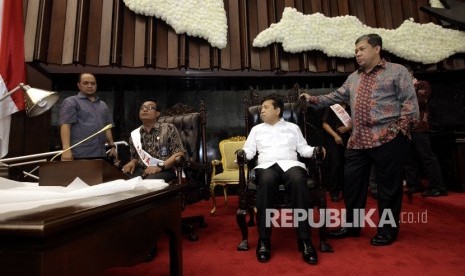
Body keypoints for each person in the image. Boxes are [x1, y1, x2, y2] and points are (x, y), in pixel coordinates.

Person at [300, 33, 419, 246]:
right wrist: (313, 99)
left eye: (362, 49)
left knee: (388, 189)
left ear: (377, 48)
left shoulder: (397, 71)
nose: (357, 54)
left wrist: (400, 131)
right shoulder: (353, 77)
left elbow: (410, 104)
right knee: (352, 186)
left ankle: (387, 230)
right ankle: (352, 226)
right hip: (357, 141)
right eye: (355, 51)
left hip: (388, 139)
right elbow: (337, 96)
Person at [242, 94, 321, 265]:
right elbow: (248, 151)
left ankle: (305, 241)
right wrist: (241, 155)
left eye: (265, 107)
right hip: (266, 166)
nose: (261, 111)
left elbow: (303, 148)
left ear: (277, 110)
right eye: (261, 108)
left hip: (291, 165)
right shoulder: (256, 130)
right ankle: (264, 240)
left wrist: (316, 150)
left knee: (298, 181)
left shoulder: (293, 127)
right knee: (266, 182)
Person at [404, 65, 447, 197]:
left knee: (426, 156)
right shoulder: (402, 89)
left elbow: (421, 101)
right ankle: (414, 184)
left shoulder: (422, 84)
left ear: (410, 73)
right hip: (406, 128)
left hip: (420, 126)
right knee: (409, 158)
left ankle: (438, 186)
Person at [121, 100, 185, 182]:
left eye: (150, 107)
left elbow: (179, 153)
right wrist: (132, 163)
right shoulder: (135, 134)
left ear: (157, 113)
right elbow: (136, 158)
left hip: (166, 169)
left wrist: (159, 167)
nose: (144, 110)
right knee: (123, 180)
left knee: (148, 182)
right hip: (143, 170)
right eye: (142, 108)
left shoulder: (169, 128)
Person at [59, 73, 116, 161]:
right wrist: (66, 149)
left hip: (101, 153)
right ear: (79, 85)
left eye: (93, 83)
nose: (90, 86)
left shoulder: (103, 104)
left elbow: (107, 127)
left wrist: (112, 146)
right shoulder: (71, 102)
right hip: (80, 154)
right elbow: (65, 125)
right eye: (85, 83)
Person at [321, 103, 351, 202]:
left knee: (348, 166)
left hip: (351, 140)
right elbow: (325, 124)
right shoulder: (332, 107)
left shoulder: (352, 105)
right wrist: (335, 135)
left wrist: (349, 127)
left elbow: (359, 121)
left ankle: (347, 191)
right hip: (334, 140)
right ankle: (334, 192)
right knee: (335, 165)